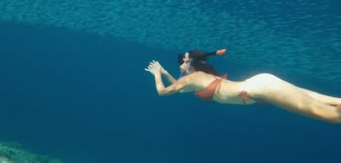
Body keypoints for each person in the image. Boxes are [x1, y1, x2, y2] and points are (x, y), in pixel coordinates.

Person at [145, 49, 341, 124]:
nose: (180, 66)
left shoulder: (191, 79)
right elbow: (178, 86)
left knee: (327, 113)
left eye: (182, 62)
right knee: (326, 101)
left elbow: (163, 92)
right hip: (261, 85)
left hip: (262, 88)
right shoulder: (196, 78)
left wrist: (156, 75)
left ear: (189, 64)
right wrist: (163, 72)